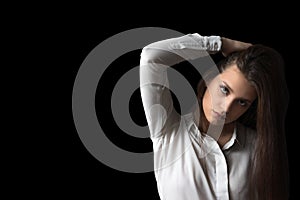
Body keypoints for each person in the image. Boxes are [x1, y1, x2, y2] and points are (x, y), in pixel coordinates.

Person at [139, 33, 289, 200]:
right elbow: (151, 57)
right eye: (224, 90)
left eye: (241, 102)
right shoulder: (169, 131)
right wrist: (221, 44)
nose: (226, 108)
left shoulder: (257, 147)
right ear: (209, 78)